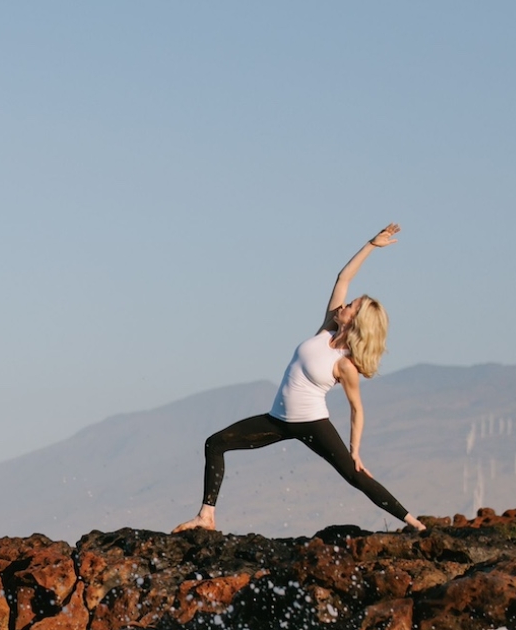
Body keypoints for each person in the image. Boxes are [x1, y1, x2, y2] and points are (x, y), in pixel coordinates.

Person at [175, 224, 425, 533]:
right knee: (215, 443)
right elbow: (343, 278)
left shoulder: (345, 365)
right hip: (277, 421)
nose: (345, 305)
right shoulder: (327, 328)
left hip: (312, 424)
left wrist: (355, 451)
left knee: (354, 475)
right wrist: (371, 245)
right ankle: (206, 516)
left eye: (352, 307)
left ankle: (414, 522)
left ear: (357, 322)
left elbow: (357, 409)